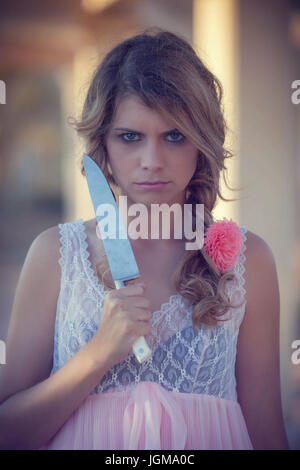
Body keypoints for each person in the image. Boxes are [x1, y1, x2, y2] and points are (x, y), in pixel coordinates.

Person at [0, 28, 290, 450]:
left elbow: (266, 432)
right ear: (103, 144)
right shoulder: (55, 256)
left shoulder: (250, 261)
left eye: (174, 136)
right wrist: (95, 355)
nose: (152, 162)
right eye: (130, 137)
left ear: (202, 143)